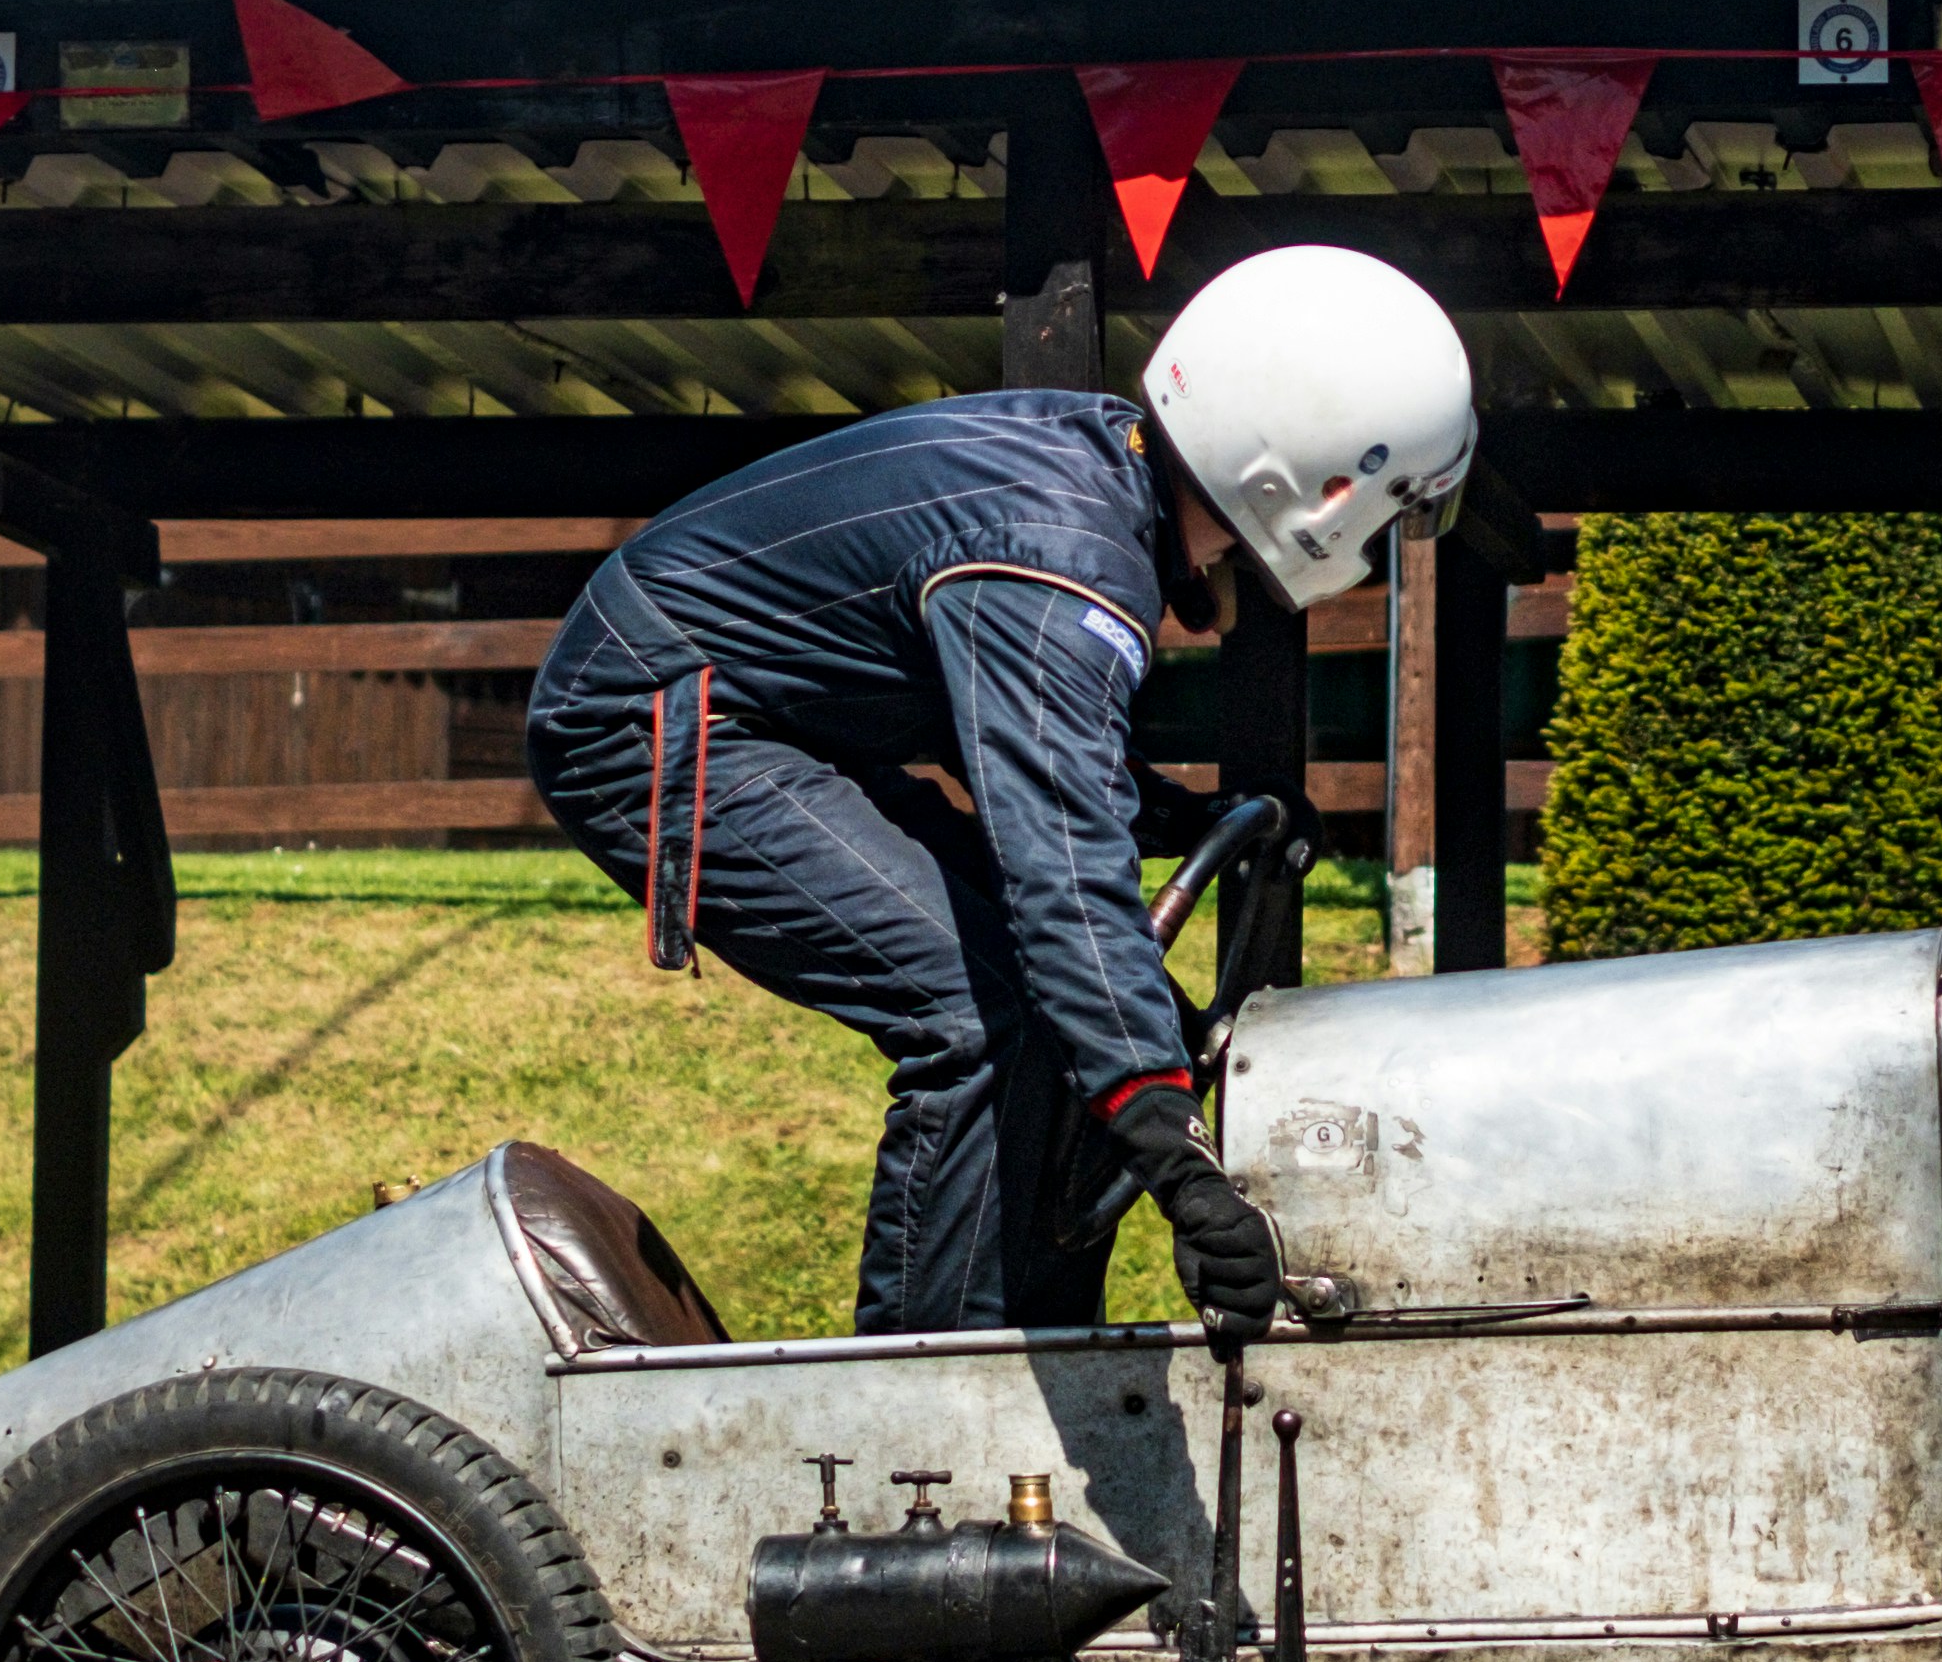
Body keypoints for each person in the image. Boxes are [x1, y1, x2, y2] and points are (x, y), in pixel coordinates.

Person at [525, 241, 1479, 1345]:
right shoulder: (1059, 558)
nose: (1372, 546)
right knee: (979, 1016)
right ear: (1310, 484)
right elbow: (1064, 882)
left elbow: (1051, 763)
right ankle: (925, 1415)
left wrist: (1169, 817)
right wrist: (1177, 1155)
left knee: (1082, 1021)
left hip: (760, 708)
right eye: (1389, 510)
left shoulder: (1094, 485)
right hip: (647, 716)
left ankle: (1038, 1356)